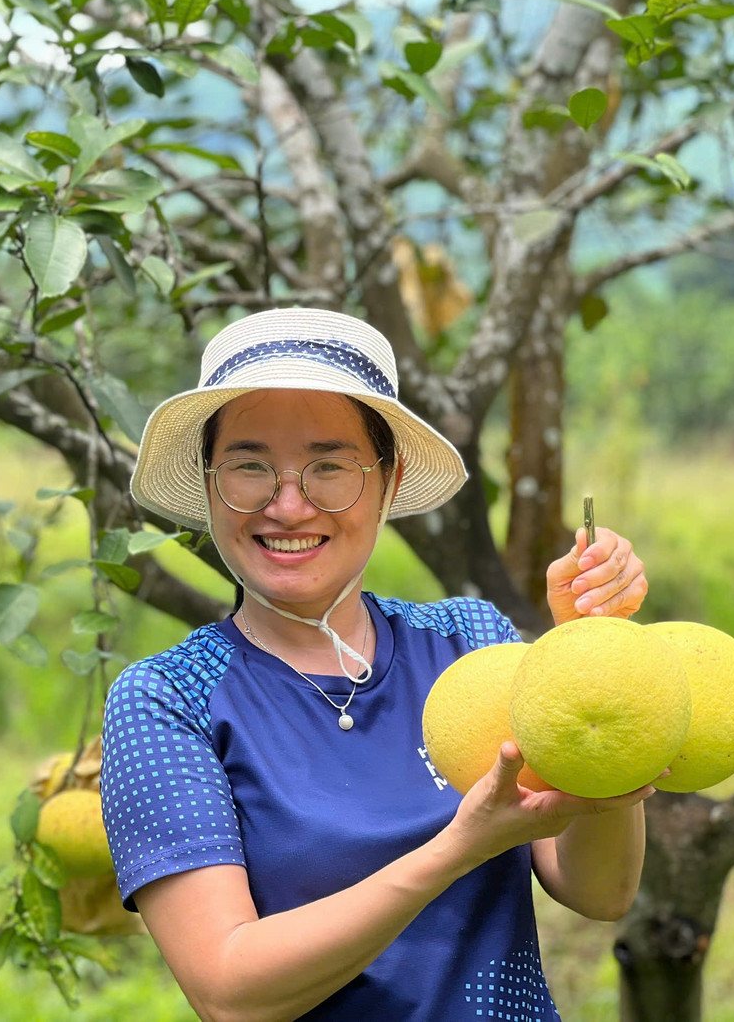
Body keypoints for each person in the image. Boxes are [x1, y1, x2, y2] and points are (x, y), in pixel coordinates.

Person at [99, 308, 652, 1022]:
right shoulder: (169, 700)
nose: (288, 503)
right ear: (209, 486)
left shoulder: (470, 643)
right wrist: (458, 848)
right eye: (248, 466)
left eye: (329, 466)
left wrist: (592, 660)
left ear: (388, 484)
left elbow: (600, 890)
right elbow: (230, 991)